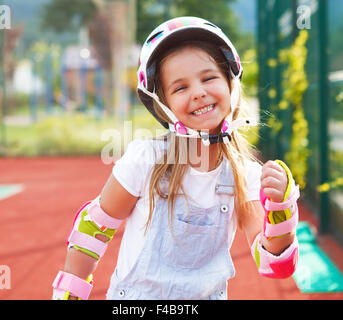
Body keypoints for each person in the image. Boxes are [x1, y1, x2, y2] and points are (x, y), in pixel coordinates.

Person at [52, 16, 300, 300]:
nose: (198, 93)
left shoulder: (246, 175)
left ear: (231, 82)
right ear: (163, 105)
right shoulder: (145, 160)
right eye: (180, 88)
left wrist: (281, 210)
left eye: (209, 78)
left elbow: (274, 265)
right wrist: (68, 294)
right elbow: (93, 228)